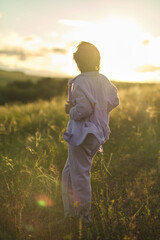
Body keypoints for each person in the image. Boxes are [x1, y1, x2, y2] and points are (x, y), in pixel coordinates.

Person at [62, 41, 119, 224]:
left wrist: (70, 110)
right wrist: (101, 109)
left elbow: (83, 109)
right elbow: (114, 100)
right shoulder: (104, 80)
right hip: (96, 135)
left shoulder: (80, 82)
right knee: (69, 173)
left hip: (82, 136)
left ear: (78, 62)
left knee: (79, 176)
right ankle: (70, 214)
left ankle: (83, 220)